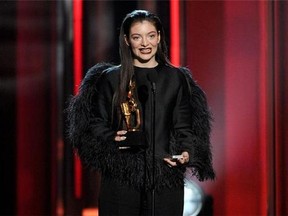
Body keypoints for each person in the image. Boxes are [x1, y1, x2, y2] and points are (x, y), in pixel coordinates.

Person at [67, 9, 215, 216]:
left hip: (164, 178)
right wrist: (112, 136)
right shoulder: (110, 79)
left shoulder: (175, 78)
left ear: (159, 37)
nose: (145, 43)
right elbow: (93, 122)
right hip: (121, 179)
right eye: (137, 37)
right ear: (127, 40)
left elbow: (184, 126)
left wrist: (184, 153)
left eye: (151, 36)